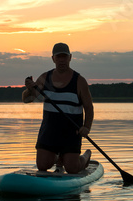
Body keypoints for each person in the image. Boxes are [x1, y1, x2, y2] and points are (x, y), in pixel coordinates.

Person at [22, 42, 94, 174]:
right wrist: (29, 89)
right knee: (42, 166)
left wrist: (86, 127)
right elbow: (28, 99)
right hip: (49, 131)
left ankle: (85, 156)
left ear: (70, 57)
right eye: (58, 57)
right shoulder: (45, 78)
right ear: (53, 58)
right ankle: (59, 157)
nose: (62, 60)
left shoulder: (79, 81)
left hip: (72, 132)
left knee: (72, 169)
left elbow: (89, 108)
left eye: (64, 57)